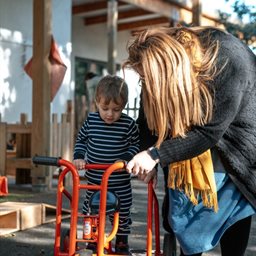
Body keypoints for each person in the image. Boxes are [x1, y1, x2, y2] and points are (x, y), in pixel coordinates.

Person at [122, 26, 256, 256]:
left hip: (238, 135)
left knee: (232, 201)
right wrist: (147, 150)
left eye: (150, 79)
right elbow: (147, 113)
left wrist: (155, 155)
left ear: (167, 70)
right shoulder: (160, 58)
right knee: (183, 209)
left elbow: (208, 133)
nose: (148, 84)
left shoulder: (228, 61)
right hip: (199, 131)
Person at [73, 75, 140, 254]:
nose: (110, 114)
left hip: (119, 183)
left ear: (124, 105)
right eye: (105, 108)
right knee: (91, 213)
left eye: (116, 109)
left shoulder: (129, 125)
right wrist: (79, 156)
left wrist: (125, 158)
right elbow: (81, 140)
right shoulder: (91, 121)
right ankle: (93, 241)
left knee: (122, 213)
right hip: (95, 182)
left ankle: (121, 242)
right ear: (97, 102)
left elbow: (135, 145)